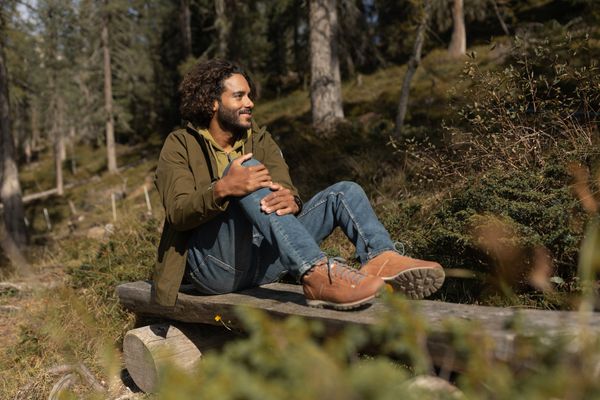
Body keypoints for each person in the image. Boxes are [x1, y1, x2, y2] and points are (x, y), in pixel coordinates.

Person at [153, 59, 445, 311]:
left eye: (250, 96)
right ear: (212, 103)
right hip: (216, 268)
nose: (250, 103)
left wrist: (292, 200)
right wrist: (224, 187)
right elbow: (178, 212)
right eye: (239, 96)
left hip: (265, 260)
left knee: (345, 191)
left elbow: (284, 187)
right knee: (247, 171)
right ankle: (317, 273)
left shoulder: (259, 139)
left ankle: (381, 257)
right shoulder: (180, 144)